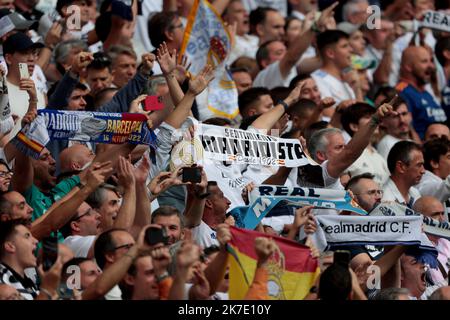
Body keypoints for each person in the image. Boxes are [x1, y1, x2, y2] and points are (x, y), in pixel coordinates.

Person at [396, 46, 447, 139]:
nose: (431, 66)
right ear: (408, 66)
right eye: (424, 61)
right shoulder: (401, 91)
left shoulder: (425, 92)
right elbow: (408, 128)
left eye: (431, 61)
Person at [311, 30, 355, 117]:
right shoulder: (317, 79)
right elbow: (328, 113)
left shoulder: (347, 79)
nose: (351, 50)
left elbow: (361, 112)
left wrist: (357, 87)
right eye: (344, 46)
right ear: (330, 53)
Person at [382, 141, 424, 207]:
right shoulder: (384, 198)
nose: (423, 171)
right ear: (401, 167)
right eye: (419, 165)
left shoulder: (415, 193)